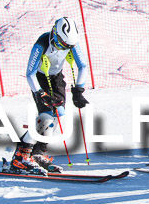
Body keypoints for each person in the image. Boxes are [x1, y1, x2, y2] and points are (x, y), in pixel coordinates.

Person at [8, 17, 89, 175]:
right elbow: (29, 74)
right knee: (46, 116)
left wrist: (78, 91)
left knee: (59, 114)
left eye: (68, 46)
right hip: (39, 79)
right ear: (55, 34)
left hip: (56, 78)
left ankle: (38, 153)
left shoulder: (70, 43)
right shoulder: (42, 44)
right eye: (62, 44)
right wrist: (40, 93)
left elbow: (82, 66)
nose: (64, 48)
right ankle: (20, 157)